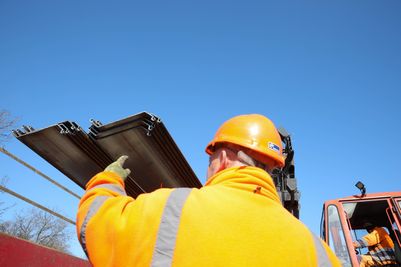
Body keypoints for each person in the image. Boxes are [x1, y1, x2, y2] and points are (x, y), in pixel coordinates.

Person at [77, 114, 341, 266]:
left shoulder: (170, 210)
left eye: (210, 159)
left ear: (223, 158)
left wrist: (107, 180)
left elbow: (96, 223)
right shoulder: (319, 252)